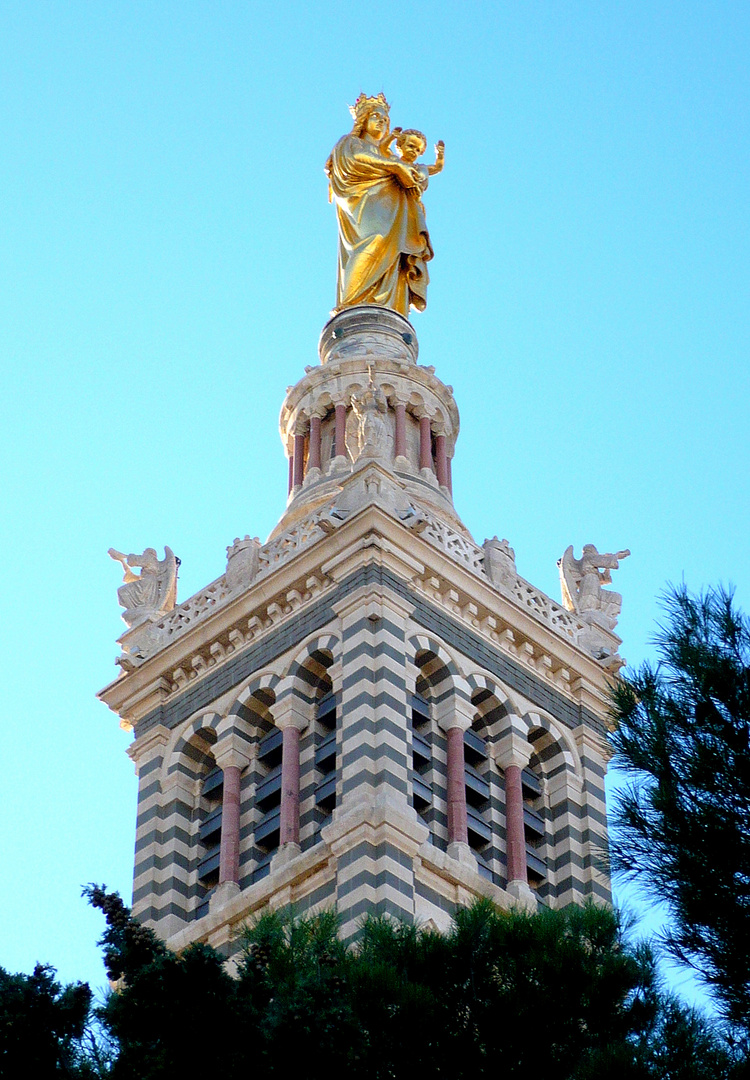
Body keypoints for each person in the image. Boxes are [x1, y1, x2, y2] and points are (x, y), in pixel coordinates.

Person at [325, 94, 439, 316]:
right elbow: (355, 159)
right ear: (363, 120)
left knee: (396, 256)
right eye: (376, 116)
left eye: (385, 120)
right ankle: (350, 303)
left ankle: (389, 306)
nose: (382, 122)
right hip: (363, 203)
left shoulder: (386, 154)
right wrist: (394, 168)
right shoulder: (350, 142)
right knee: (374, 240)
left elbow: (415, 176)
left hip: (392, 209)